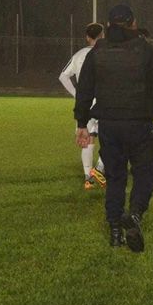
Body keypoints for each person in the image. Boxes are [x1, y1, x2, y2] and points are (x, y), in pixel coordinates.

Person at [74, 4, 153, 252]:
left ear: (109, 24)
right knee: (145, 173)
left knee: (114, 178)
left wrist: (81, 123)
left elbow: (84, 90)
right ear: (133, 23)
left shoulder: (98, 52)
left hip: (109, 125)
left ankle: (115, 230)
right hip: (139, 124)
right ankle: (134, 214)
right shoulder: (145, 51)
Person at [59, 22, 106, 189]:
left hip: (86, 103)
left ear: (87, 37)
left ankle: (88, 177)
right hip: (105, 102)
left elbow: (63, 76)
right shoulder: (105, 53)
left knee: (87, 138)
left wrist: (77, 95)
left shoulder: (79, 55)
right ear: (103, 36)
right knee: (110, 137)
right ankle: (100, 168)